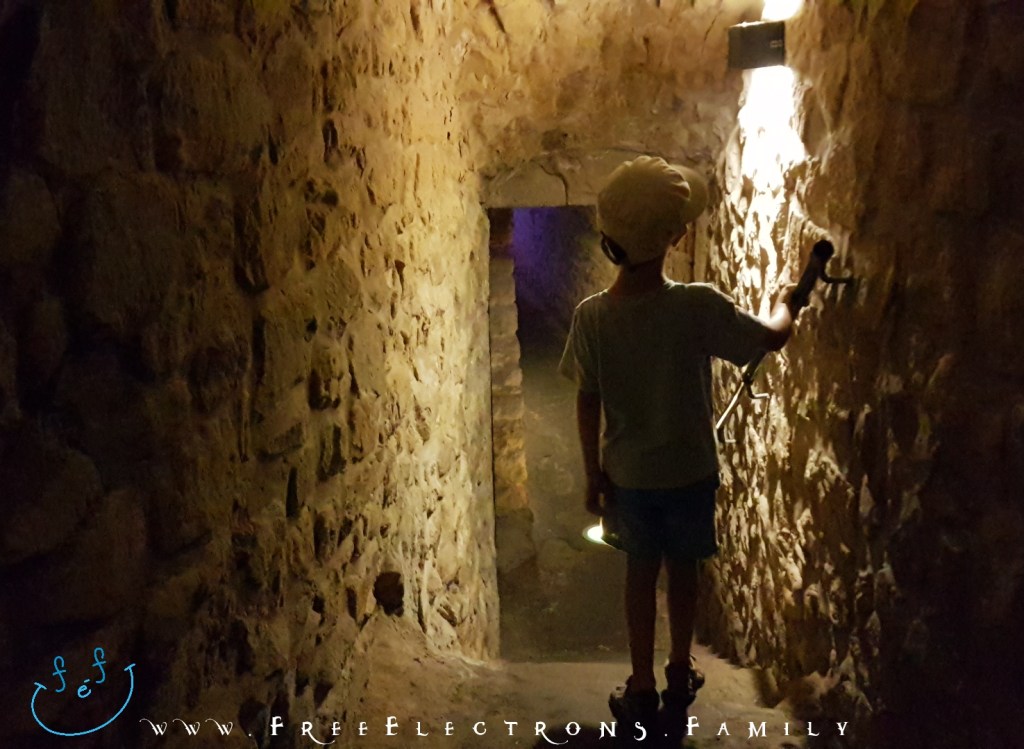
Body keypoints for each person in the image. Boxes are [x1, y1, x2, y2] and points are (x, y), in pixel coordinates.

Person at [557, 155, 796, 742]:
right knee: (684, 568)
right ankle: (680, 667)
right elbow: (769, 337)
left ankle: (640, 682)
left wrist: (593, 474)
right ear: (674, 237)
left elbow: (587, 401)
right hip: (689, 472)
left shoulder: (591, 319)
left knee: (641, 573)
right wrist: (784, 299)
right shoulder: (695, 305)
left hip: (629, 476)